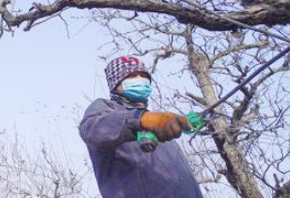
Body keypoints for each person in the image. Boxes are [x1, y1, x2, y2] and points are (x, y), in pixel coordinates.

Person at [79, 56, 202, 198]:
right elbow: (94, 130)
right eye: (131, 76)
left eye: (143, 75)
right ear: (115, 83)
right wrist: (139, 119)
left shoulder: (159, 124)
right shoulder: (107, 109)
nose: (139, 78)